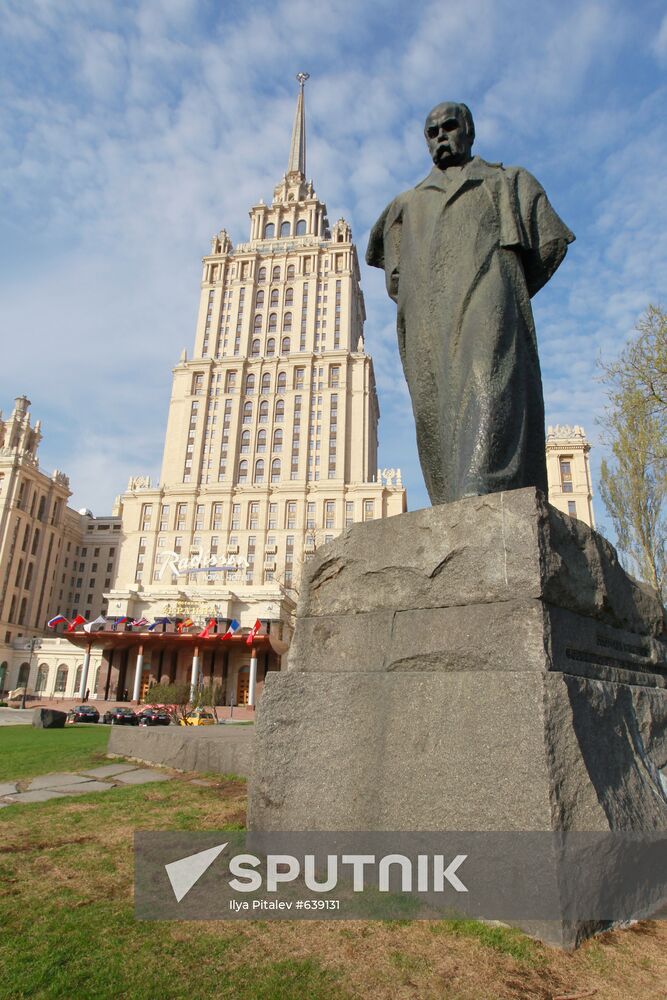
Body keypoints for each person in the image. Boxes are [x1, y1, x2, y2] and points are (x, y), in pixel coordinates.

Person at [366, 102, 574, 505]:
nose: (441, 137)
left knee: (489, 378)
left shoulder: (508, 181)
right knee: (435, 410)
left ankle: (482, 491)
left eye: (449, 127)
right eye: (432, 133)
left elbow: (550, 246)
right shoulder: (405, 206)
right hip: (428, 320)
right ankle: (456, 503)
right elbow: (395, 280)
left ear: (469, 131)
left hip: (489, 295)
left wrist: (507, 289)